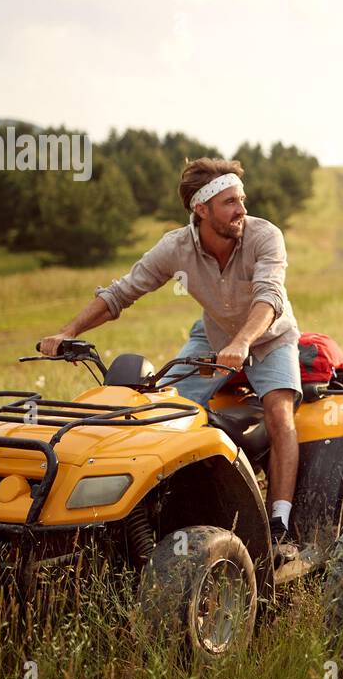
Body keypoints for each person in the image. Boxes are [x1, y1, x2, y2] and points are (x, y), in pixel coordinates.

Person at [37, 157, 302, 544]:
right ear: (201, 208)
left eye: (241, 199)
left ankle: (279, 520)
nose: (242, 210)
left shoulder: (264, 236)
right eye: (230, 202)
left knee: (280, 411)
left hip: (270, 337)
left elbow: (269, 297)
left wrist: (243, 342)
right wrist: (67, 331)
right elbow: (122, 292)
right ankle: (166, 507)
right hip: (212, 338)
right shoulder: (175, 247)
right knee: (164, 411)